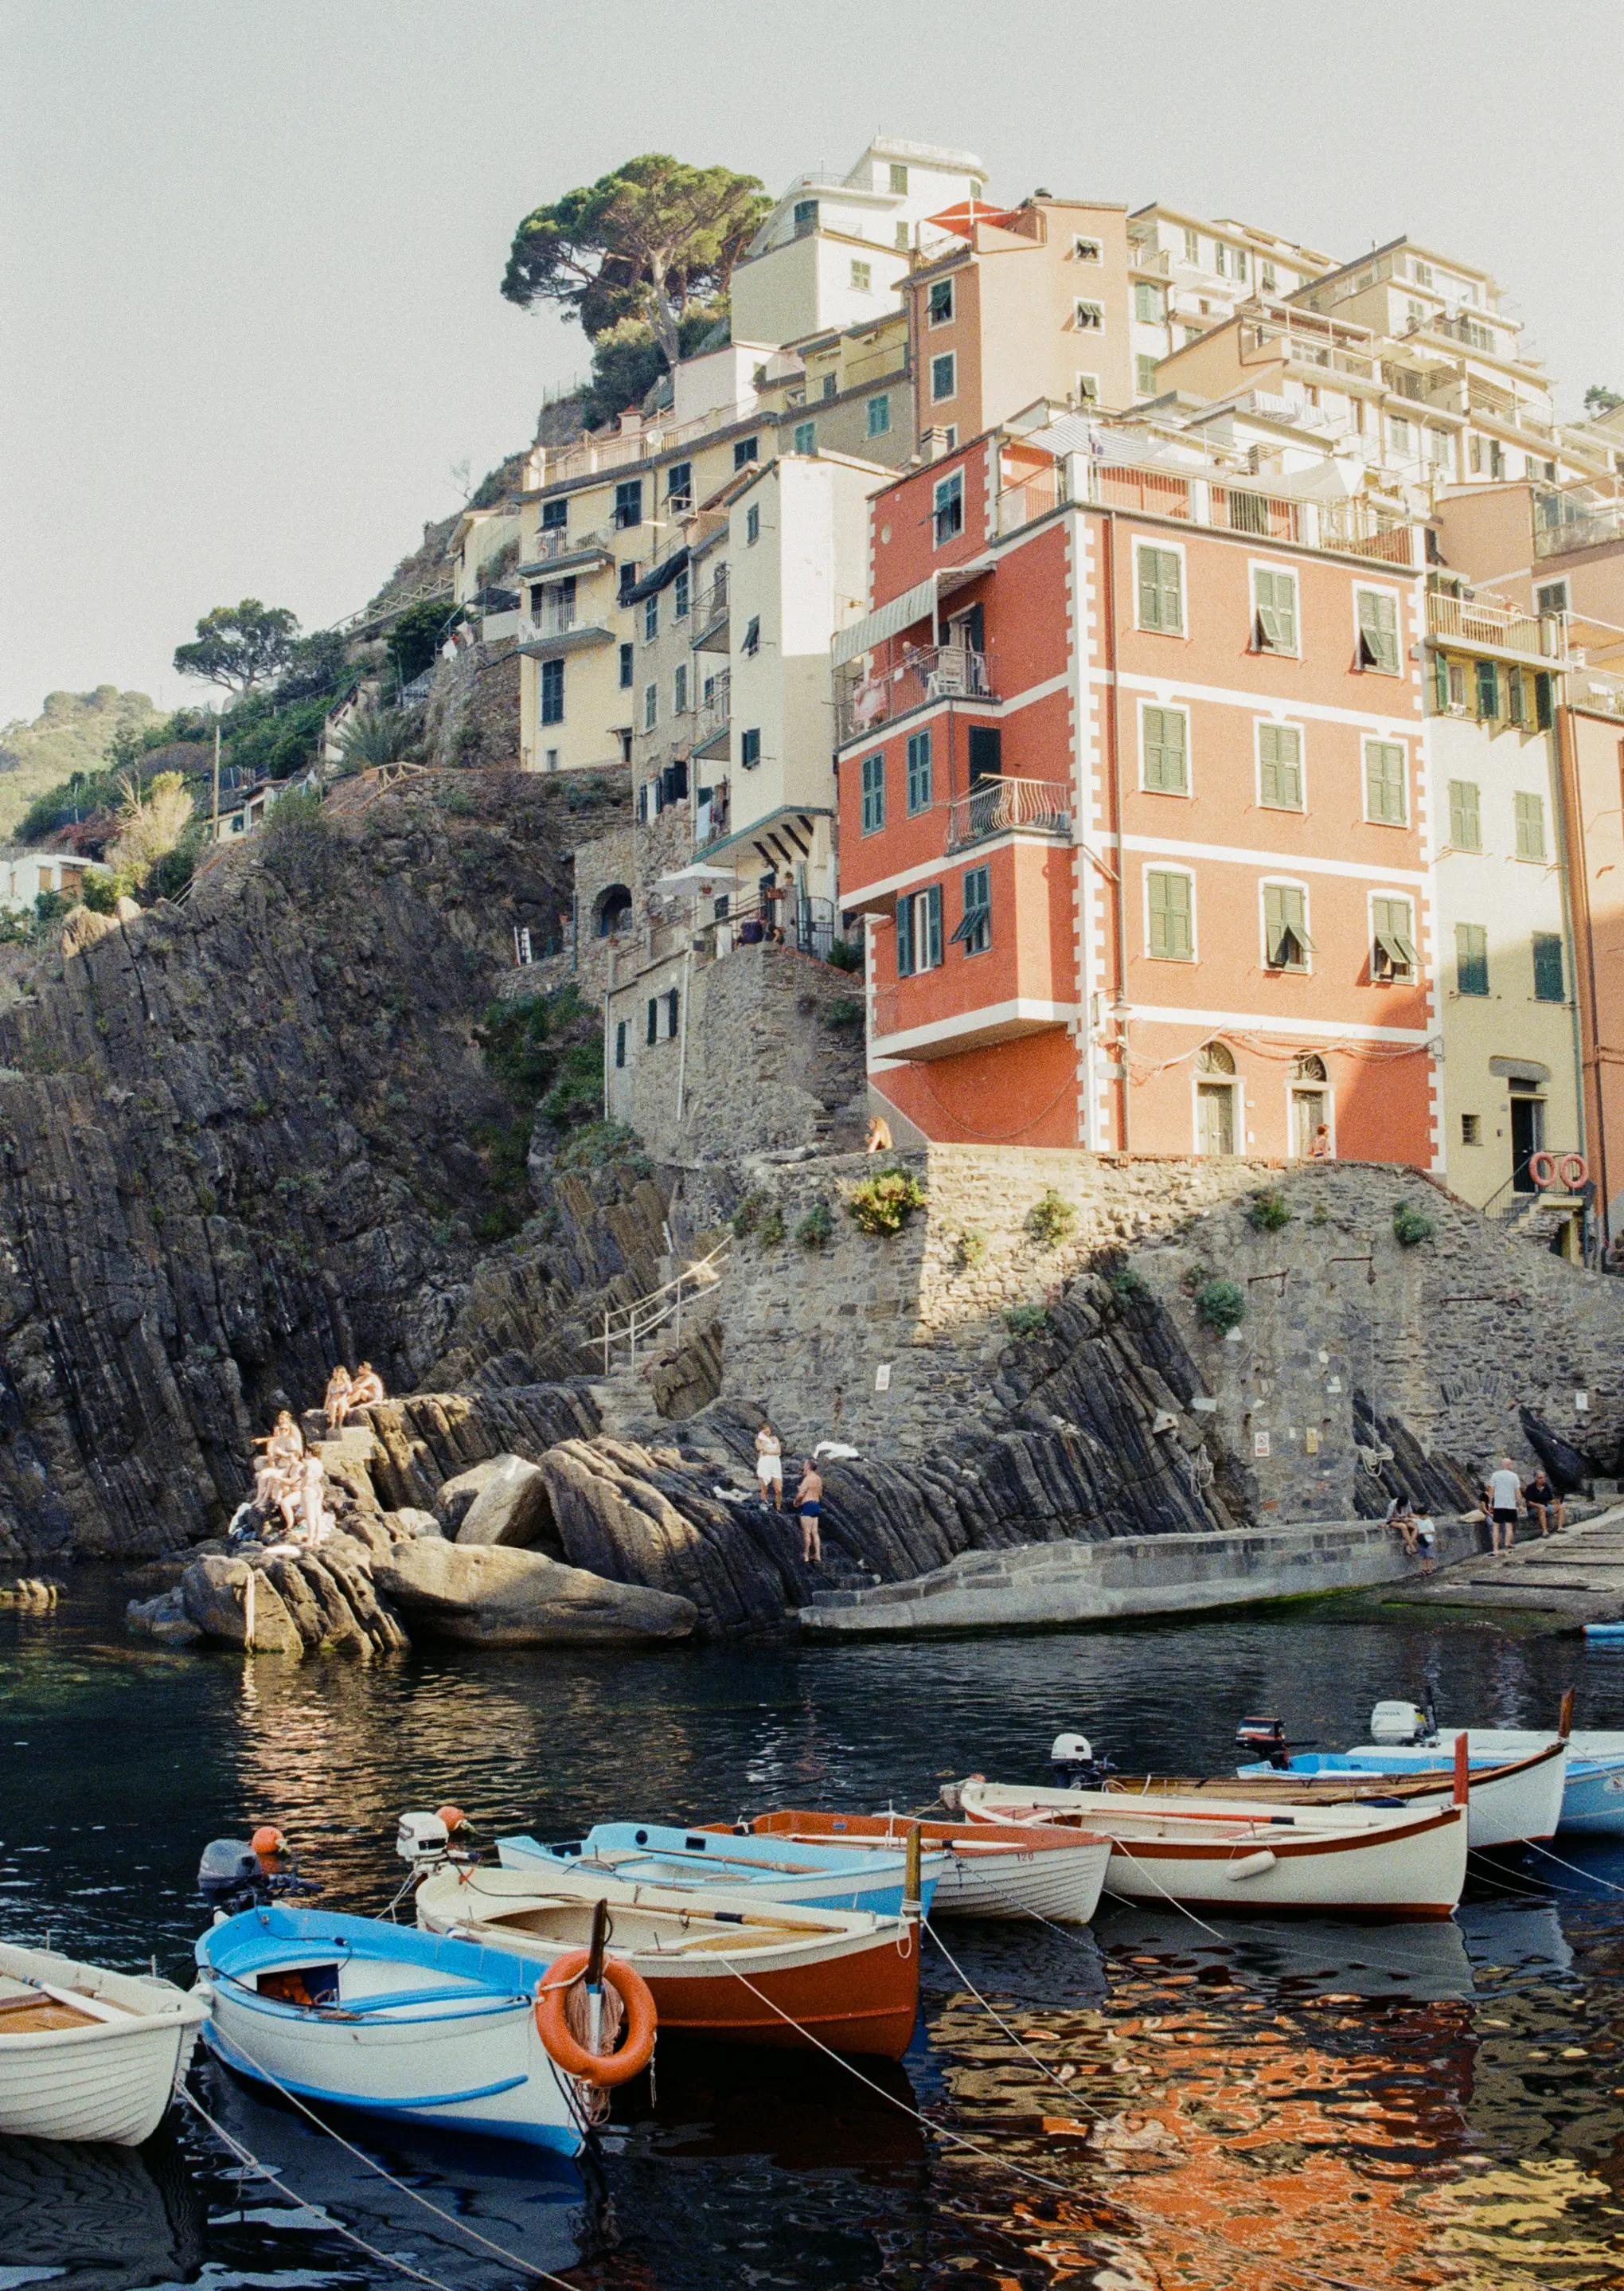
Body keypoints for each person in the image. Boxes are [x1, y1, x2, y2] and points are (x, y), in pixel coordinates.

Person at [1487, 1456, 1522, 1554]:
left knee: (1496, 1527)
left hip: (1498, 1504)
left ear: (1502, 1465)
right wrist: (1519, 1505)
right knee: (1509, 1526)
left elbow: (1491, 1490)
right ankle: (1506, 1549)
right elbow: (1518, 1492)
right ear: (1509, 1465)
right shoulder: (1514, 1476)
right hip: (1510, 1505)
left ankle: (1495, 1550)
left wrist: (1490, 1503)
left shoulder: (1495, 1475)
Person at [795, 1460, 823, 1565]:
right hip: (816, 1505)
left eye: (805, 1464)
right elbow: (820, 1494)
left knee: (806, 1532)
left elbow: (801, 1494)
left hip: (808, 1505)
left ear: (808, 1467)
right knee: (815, 1532)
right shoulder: (818, 1479)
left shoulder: (808, 1479)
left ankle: (806, 1555)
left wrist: (796, 1501)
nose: (803, 1466)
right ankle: (818, 1555)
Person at [1525, 1471, 1566, 1537]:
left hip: (1546, 1507)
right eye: (1540, 1478)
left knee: (1562, 1506)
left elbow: (1550, 1500)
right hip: (1533, 1510)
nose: (1542, 1479)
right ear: (1535, 1478)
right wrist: (1538, 1505)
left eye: (1543, 1478)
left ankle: (1560, 1528)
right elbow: (1528, 1502)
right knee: (1541, 1509)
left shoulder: (1546, 1486)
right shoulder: (1531, 1487)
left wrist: (1556, 1502)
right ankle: (1545, 1532)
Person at [755, 1422, 784, 1510]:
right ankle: (765, 1505)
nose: (768, 1432)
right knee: (764, 1487)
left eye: (769, 1430)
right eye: (766, 1430)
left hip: (775, 1465)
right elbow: (760, 1449)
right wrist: (763, 1439)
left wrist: (767, 1452)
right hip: (764, 1464)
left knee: (778, 1489)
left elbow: (778, 1451)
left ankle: (778, 1508)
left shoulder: (774, 1438)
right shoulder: (758, 1440)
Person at [323, 1364, 353, 1433]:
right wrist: (325, 1407)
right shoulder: (332, 1382)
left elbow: (350, 1391)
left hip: (343, 1401)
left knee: (342, 1406)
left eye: (334, 1372)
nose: (333, 1373)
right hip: (334, 1401)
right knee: (333, 1404)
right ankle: (333, 1424)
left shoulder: (346, 1382)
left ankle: (340, 1425)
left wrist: (345, 1379)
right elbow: (329, 1395)